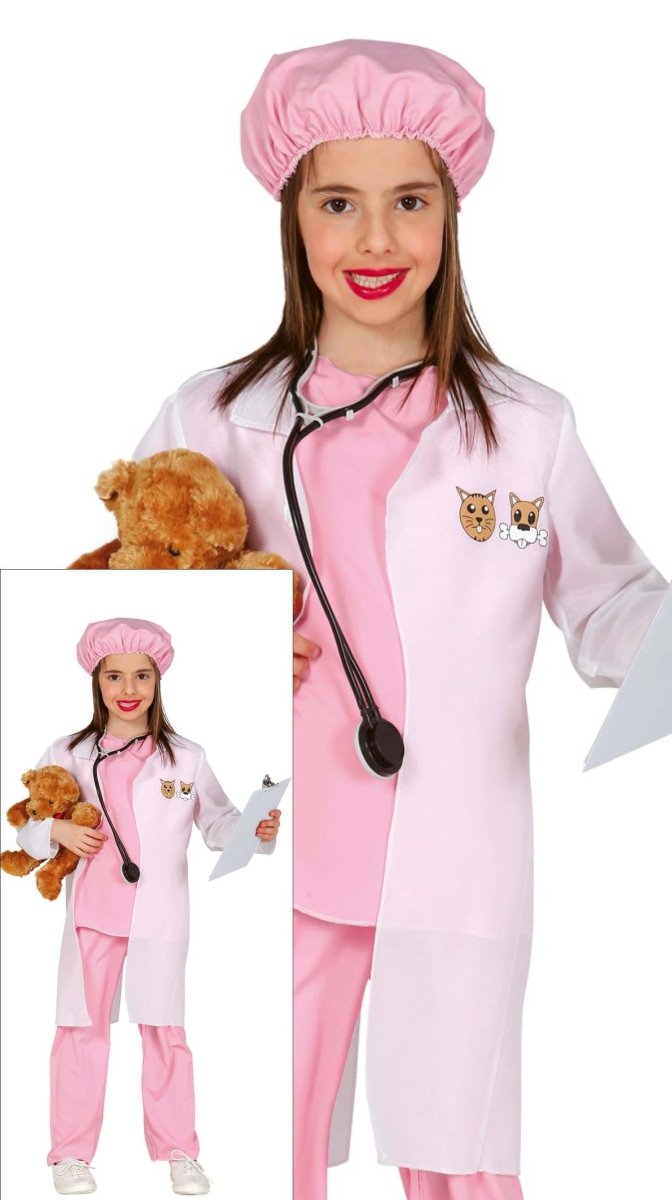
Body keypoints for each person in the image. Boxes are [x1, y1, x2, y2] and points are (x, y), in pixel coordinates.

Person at [130, 39, 670, 1200]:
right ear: (292, 214)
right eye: (339, 203)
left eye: (409, 202)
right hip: (273, 845)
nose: (375, 241)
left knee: (459, 1153)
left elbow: (614, 603)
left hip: (455, 846)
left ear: (451, 211)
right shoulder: (212, 417)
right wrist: (217, 648)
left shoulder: (529, 427)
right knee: (254, 1145)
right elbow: (129, 602)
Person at [10, 617, 281, 1196]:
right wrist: (57, 831)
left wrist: (254, 829)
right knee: (80, 1031)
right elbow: (26, 829)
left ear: (159, 681)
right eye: (114, 676)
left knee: (165, 1031)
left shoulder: (186, 757)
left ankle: (180, 1151)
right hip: (94, 916)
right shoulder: (67, 753)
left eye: (141, 675)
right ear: (96, 680)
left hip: (158, 916)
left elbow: (218, 823)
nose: (128, 688)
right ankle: (69, 1155)